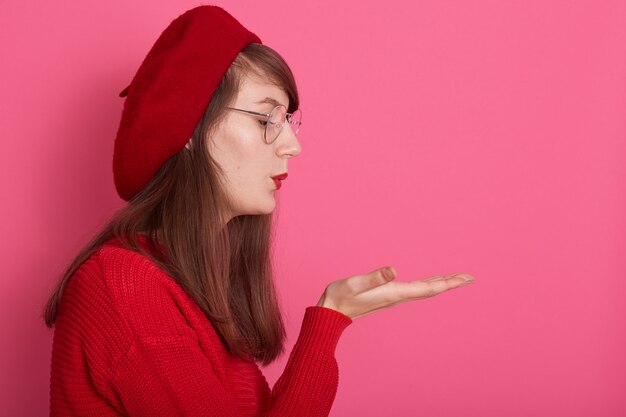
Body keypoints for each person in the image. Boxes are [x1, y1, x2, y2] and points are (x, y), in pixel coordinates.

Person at [44, 5, 475, 416]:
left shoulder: (192, 284)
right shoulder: (125, 286)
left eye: (289, 120)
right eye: (266, 119)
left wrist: (332, 317)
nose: (292, 144)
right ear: (191, 129)